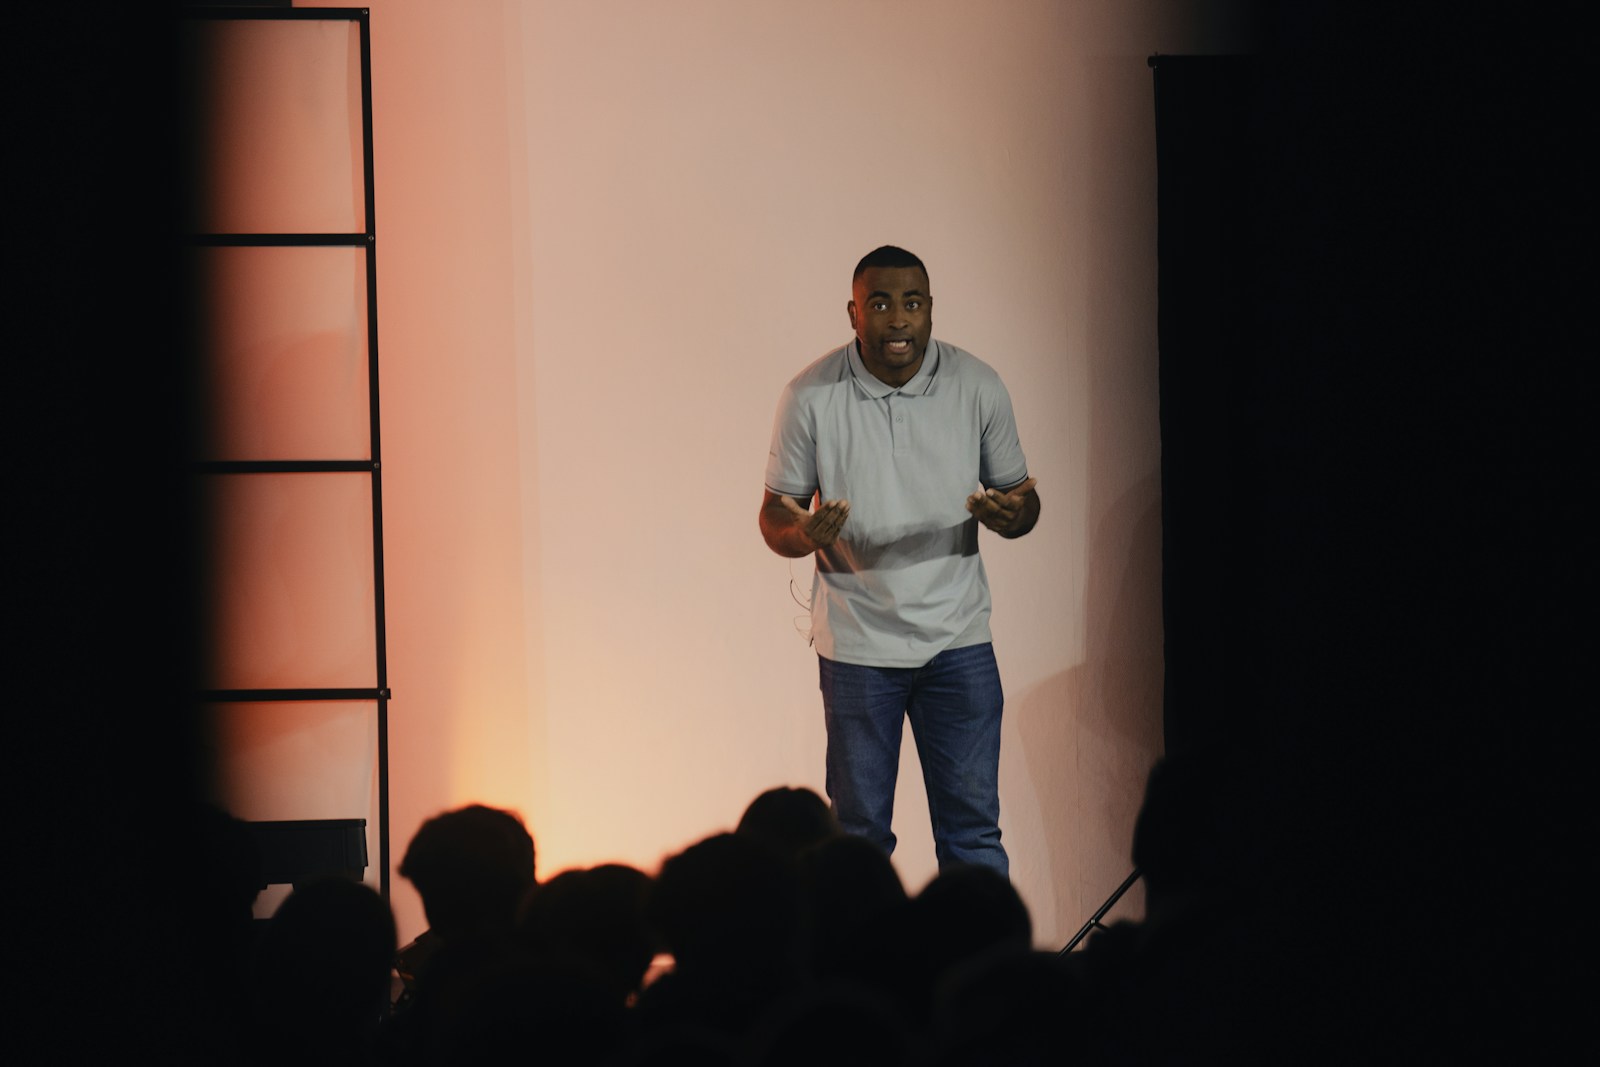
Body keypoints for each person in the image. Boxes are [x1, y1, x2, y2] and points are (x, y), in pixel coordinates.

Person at [759, 245, 1039, 878]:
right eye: (880, 304)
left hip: (958, 642)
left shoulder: (978, 385)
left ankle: (980, 973)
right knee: (857, 842)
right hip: (858, 648)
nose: (897, 320)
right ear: (853, 313)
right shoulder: (810, 395)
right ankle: (867, 975)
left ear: (931, 311)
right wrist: (803, 534)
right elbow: (775, 515)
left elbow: (1024, 498)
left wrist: (1012, 516)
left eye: (912, 304)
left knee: (972, 834)